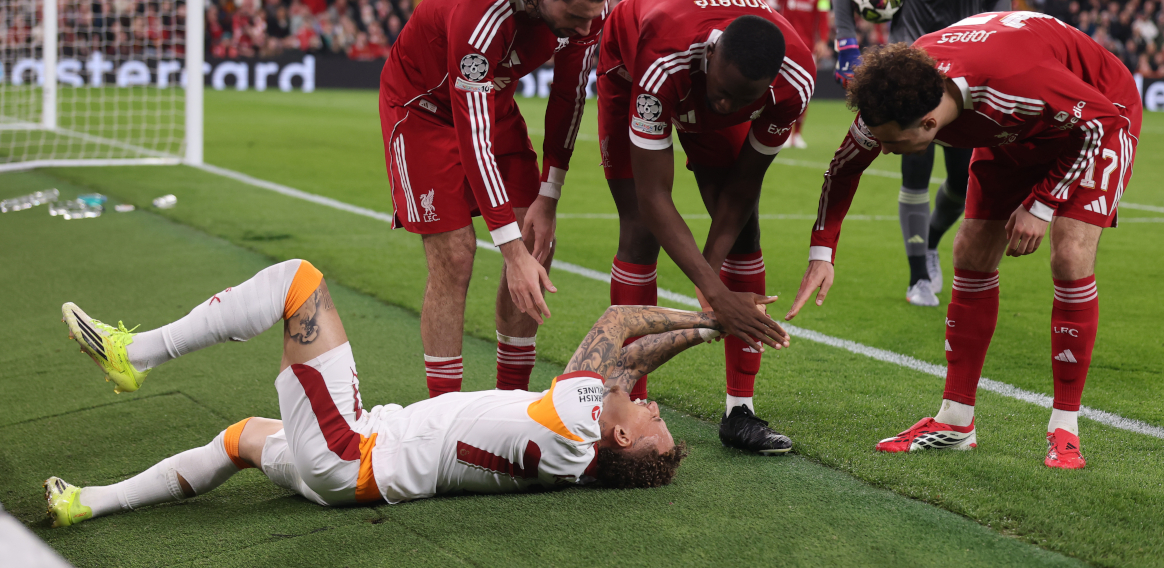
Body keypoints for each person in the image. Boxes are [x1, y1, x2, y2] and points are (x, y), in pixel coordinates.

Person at [46, 258, 741, 526]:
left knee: (298, 284)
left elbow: (618, 324)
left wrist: (713, 307)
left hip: (353, 453)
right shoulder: (579, 447)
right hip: (345, 475)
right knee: (239, 439)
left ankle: (135, 355)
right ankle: (87, 503)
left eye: (653, 420)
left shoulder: (571, 425)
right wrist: (709, 328)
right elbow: (631, 361)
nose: (653, 404)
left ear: (619, 435)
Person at [789, 11, 1141, 469]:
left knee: (1070, 255)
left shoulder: (1014, 82)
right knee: (970, 250)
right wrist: (822, 252)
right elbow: (843, 168)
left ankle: (1065, 429)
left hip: (1098, 115)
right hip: (1015, 124)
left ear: (929, 124)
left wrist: (1041, 205)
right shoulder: (898, 92)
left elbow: (1099, 123)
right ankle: (955, 422)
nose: (886, 151)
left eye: (893, 144)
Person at [378, 0, 612, 398]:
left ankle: (511, 405)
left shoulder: (585, 3)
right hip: (423, 109)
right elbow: (473, 137)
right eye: (576, 17)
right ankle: (444, 416)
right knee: (456, 257)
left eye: (593, 16)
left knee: (537, 240)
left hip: (491, 99)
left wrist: (549, 195)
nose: (587, 28)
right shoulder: (480, 17)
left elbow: (569, 98)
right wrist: (510, 251)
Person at [595, 0, 813, 454]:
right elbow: (654, 196)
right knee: (639, 230)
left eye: (742, 99)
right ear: (712, 55)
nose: (725, 105)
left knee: (743, 229)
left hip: (694, 67)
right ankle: (626, 403)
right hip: (629, 65)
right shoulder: (664, 62)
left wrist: (710, 278)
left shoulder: (792, 85)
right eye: (724, 91)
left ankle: (741, 412)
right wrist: (716, 293)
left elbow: (743, 187)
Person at [830, 0, 1012, 308]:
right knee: (914, 170)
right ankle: (917, 277)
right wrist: (846, 43)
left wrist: (1002, 34)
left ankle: (930, 242)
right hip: (910, 65)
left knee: (962, 179)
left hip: (966, 68)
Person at [768, 0, 830, 149]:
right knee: (779, 89)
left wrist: (823, 40)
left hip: (808, 48)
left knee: (804, 91)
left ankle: (797, 135)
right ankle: (781, 132)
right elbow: (771, 10)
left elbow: (823, 16)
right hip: (783, 45)